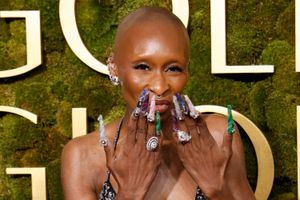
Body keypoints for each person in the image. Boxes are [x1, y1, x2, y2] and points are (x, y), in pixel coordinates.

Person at [61, 7, 256, 200]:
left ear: (187, 72)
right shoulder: (83, 156)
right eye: (143, 67)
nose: (160, 86)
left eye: (173, 69)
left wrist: (216, 190)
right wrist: (130, 193)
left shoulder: (217, 136)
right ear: (114, 68)